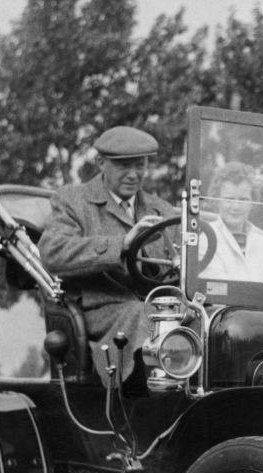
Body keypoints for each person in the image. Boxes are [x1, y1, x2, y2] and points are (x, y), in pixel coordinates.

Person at [39, 125, 176, 388]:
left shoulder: (161, 209)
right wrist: (121, 245)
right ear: (101, 163)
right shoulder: (73, 200)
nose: (133, 175)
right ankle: (152, 405)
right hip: (102, 311)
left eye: (140, 165)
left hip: (155, 308)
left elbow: (185, 255)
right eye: (124, 166)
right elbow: (52, 252)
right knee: (149, 318)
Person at [200, 161, 263, 284]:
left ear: (252, 203)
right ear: (217, 201)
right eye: (229, 199)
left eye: (243, 199)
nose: (236, 206)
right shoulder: (206, 239)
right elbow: (216, 290)